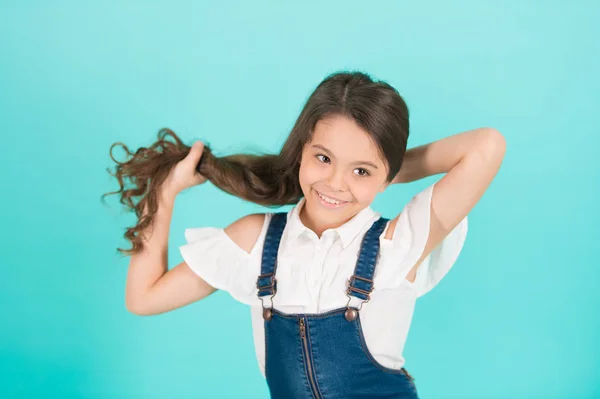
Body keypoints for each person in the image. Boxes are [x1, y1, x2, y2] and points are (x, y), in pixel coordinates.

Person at [103, 71, 506, 398]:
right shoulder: (255, 242)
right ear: (301, 152)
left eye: (360, 170)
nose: (336, 182)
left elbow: (487, 146)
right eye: (324, 158)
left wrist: (385, 167)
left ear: (387, 176)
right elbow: (143, 297)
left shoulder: (398, 244)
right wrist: (162, 194)